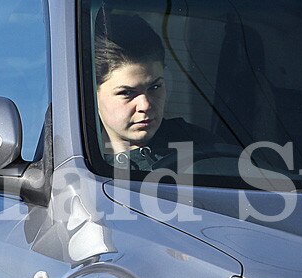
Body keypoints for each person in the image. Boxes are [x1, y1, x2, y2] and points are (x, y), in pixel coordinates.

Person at [94, 13, 219, 171]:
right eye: (126, 93)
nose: (145, 105)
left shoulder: (207, 150)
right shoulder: (74, 164)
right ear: (93, 92)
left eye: (154, 87)